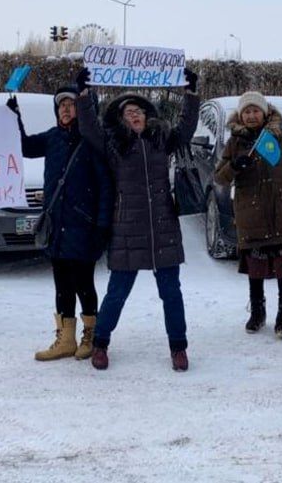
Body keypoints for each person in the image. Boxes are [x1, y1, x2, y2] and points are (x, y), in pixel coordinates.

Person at [75, 67, 200, 372]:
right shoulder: (114, 144)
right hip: (127, 229)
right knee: (117, 292)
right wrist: (83, 95)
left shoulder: (161, 139)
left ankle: (178, 347)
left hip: (162, 228)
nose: (134, 115)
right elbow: (89, 127)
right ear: (121, 119)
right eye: (128, 112)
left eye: (139, 111)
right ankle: (101, 343)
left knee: (171, 292)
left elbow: (185, 129)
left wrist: (192, 94)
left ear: (147, 115)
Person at [6, 86, 113, 361]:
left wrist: (101, 227)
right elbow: (25, 147)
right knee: (61, 285)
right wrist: (13, 117)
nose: (65, 108)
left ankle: (90, 335)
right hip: (57, 227)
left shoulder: (91, 141)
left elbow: (104, 187)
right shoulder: (52, 138)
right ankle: (65, 339)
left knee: (84, 284)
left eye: (71, 104)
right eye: (61, 105)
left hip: (83, 227)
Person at [214, 91, 282, 338]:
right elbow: (219, 177)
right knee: (256, 268)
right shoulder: (235, 142)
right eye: (247, 111)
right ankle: (257, 312)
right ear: (240, 115)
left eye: (256, 110)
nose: (252, 115)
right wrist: (235, 165)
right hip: (252, 213)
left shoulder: (279, 137)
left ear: (264, 113)